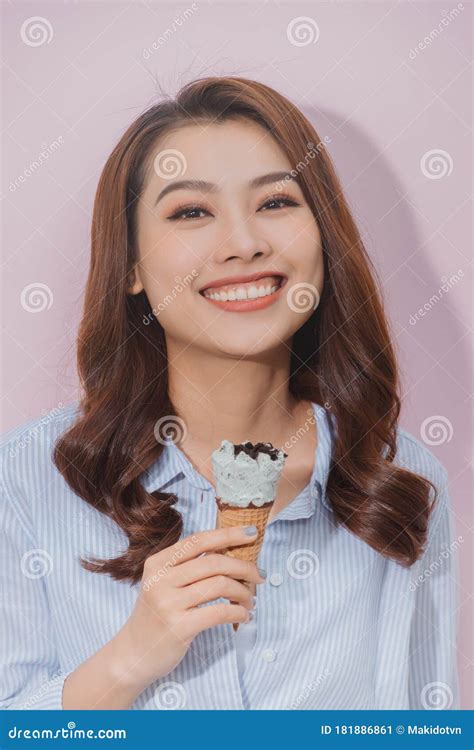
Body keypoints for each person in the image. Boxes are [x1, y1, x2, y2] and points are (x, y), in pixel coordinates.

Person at [0, 76, 459, 710]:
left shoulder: (398, 480)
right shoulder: (23, 478)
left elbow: (424, 719)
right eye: (191, 212)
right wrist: (128, 659)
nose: (245, 243)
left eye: (276, 202)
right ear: (129, 265)